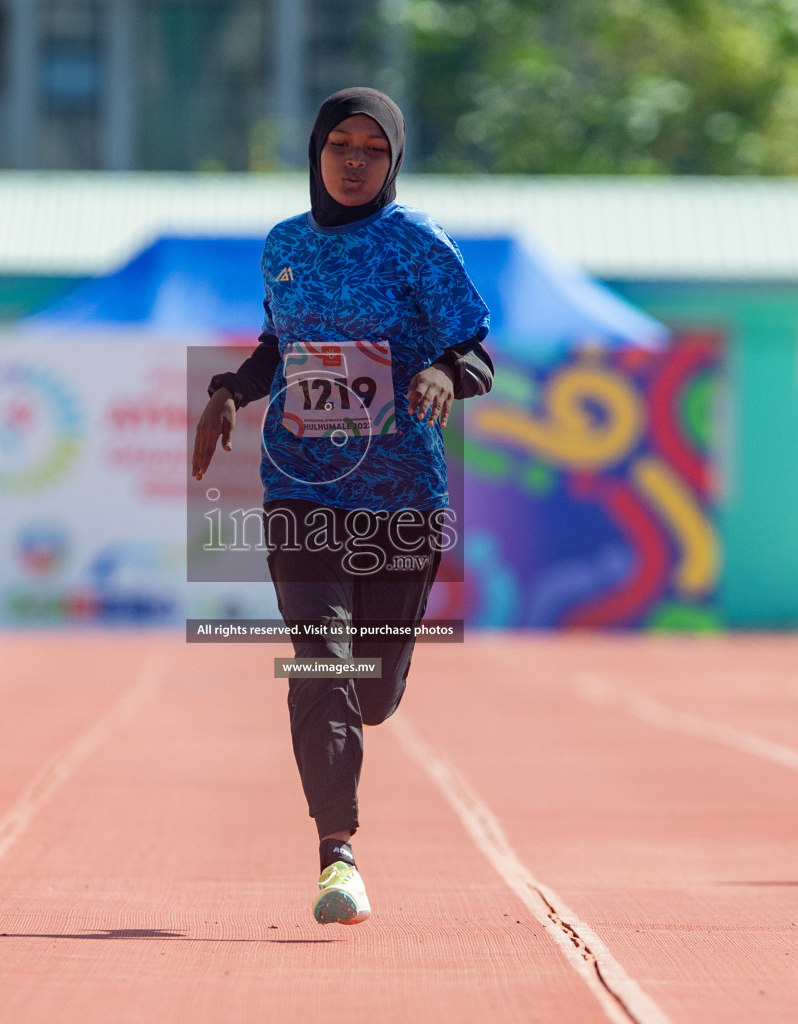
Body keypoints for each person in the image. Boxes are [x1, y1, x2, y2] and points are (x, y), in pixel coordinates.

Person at [191, 88, 494, 925]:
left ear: (393, 160)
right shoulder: (285, 243)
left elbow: (475, 351)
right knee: (322, 665)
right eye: (340, 145)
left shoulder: (416, 242)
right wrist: (228, 393)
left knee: (372, 692)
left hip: (400, 498)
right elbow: (275, 350)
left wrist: (443, 372)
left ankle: (367, 710)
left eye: (373, 148)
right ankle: (338, 856)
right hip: (301, 489)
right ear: (316, 151)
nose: (355, 161)